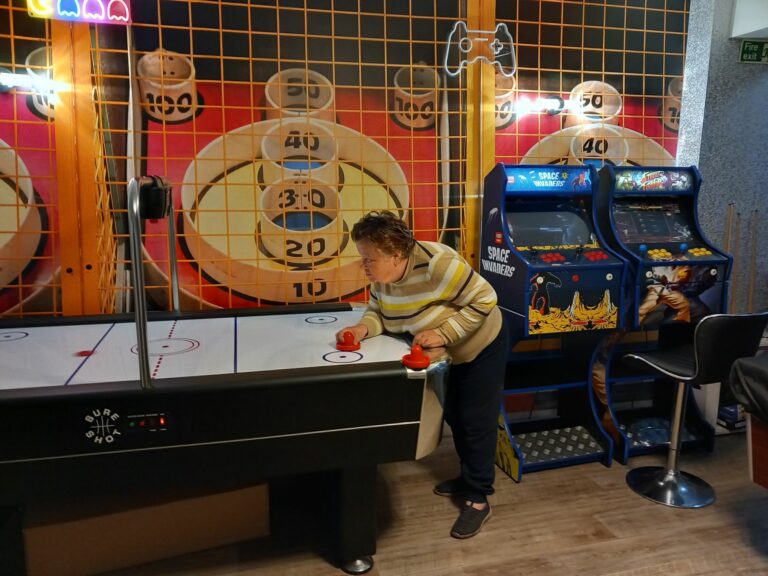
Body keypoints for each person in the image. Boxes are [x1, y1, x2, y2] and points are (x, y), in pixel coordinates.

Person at [336, 211, 509, 539]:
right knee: (455, 416)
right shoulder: (384, 277)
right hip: (446, 354)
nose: (364, 265)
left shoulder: (437, 264)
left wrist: (443, 334)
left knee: (475, 420)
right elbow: (378, 312)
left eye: (369, 259)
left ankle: (478, 498)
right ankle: (468, 478)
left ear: (395, 254)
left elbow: (486, 299)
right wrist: (361, 329)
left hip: (481, 344)